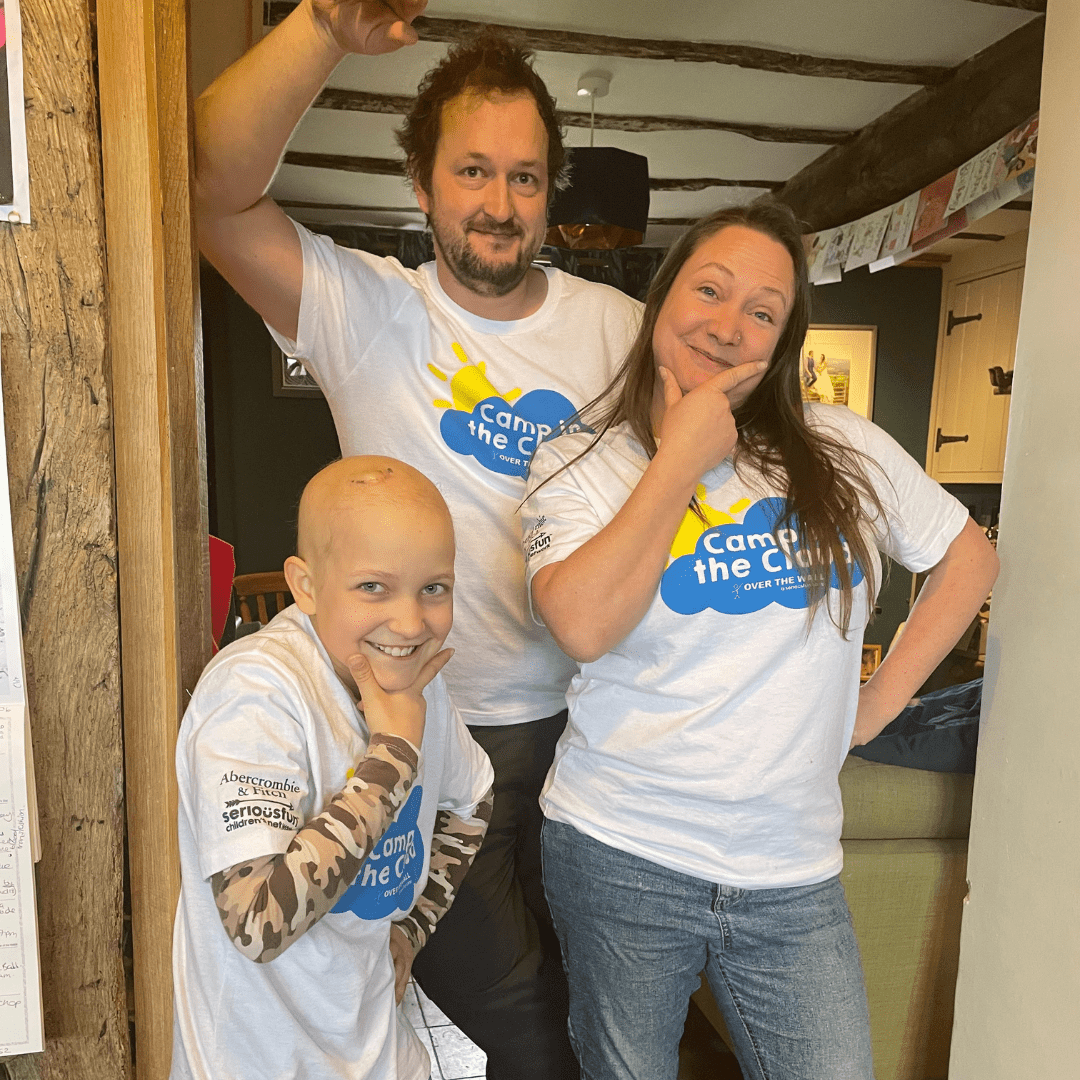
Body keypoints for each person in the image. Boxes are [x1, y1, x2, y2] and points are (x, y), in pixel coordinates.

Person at [193, 2, 640, 1074]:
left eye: (525, 177)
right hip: (431, 735)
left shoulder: (615, 332)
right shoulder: (367, 306)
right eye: (473, 172)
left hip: (588, 739)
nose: (500, 203)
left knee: (594, 999)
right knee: (520, 1022)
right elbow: (210, 193)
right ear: (424, 183)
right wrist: (321, 31)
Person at [520, 200, 1000, 1080]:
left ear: (782, 343)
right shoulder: (578, 459)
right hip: (621, 852)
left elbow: (969, 559)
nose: (729, 324)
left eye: (764, 311)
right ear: (664, 298)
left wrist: (876, 705)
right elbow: (583, 623)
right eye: (710, 289)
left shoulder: (841, 446)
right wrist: (679, 457)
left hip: (793, 870)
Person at [171, 456, 494, 1080]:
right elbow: (257, 922)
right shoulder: (254, 692)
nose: (410, 622)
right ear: (307, 584)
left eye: (435, 587)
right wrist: (394, 754)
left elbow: (473, 799)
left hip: (381, 1050)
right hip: (258, 1063)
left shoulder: (416, 680)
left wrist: (413, 928)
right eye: (373, 586)